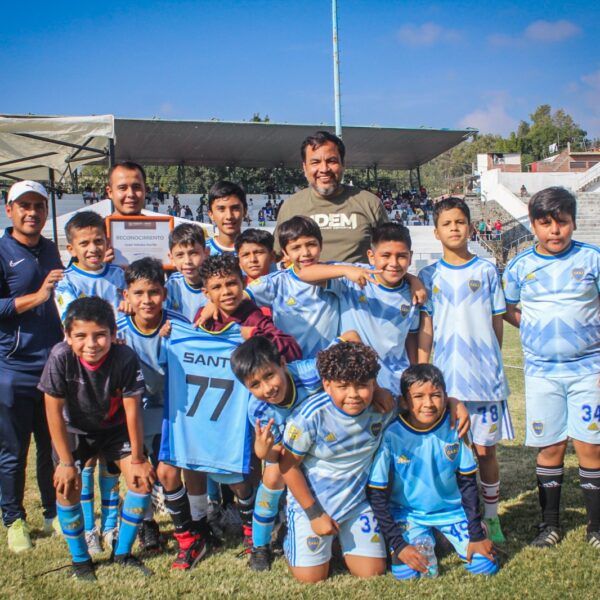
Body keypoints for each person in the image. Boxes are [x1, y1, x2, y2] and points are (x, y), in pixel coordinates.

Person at [160, 254, 301, 557]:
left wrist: (254, 336)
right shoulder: (201, 316)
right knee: (193, 460)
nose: (226, 292)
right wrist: (169, 336)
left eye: (231, 284)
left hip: (248, 409)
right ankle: (202, 521)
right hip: (210, 410)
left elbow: (290, 347)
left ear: (242, 283)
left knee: (248, 467)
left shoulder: (255, 316)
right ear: (206, 292)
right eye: (217, 287)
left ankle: (256, 525)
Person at [503, 187, 600, 549]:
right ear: (533, 225)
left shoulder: (593, 259)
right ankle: (550, 525)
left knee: (590, 446)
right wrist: (534, 328)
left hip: (588, 369)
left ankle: (596, 528)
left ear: (574, 222)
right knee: (551, 447)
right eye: (545, 224)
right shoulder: (519, 267)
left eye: (562, 223)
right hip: (542, 372)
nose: (554, 231)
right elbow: (509, 309)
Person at [38, 297, 155, 580]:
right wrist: (65, 462)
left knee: (141, 482)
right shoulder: (59, 357)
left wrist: (138, 459)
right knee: (66, 489)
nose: (91, 343)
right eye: (80, 336)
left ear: (114, 336)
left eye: (100, 335)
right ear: (67, 336)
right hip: (75, 431)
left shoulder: (125, 358)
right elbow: (53, 412)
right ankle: (81, 560)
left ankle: (123, 554)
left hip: (114, 430)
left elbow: (133, 411)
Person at [418, 197, 513, 543]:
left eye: (461, 222)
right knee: (450, 451)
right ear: (436, 231)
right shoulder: (429, 276)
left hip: (484, 380)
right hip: (447, 380)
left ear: (471, 228)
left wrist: (492, 360)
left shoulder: (487, 270)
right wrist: (422, 369)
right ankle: (457, 513)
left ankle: (492, 517)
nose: (455, 228)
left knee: (486, 451)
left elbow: (496, 322)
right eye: (447, 223)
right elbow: (426, 327)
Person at [367, 364, 498, 580]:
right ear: (405, 401)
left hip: (452, 513)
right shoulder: (392, 435)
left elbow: (468, 484)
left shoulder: (456, 427)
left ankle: (451, 533)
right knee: (411, 574)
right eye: (418, 396)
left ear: (446, 397)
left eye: (436, 395)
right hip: (409, 514)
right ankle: (428, 536)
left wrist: (475, 533)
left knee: (485, 566)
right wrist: (398, 545)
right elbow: (377, 494)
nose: (428, 403)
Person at [279, 342, 393, 583]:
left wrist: (455, 404)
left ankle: (339, 542)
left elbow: (417, 405)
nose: (353, 395)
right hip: (313, 507)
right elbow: (288, 467)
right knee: (311, 578)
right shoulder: (309, 416)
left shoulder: (381, 407)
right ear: (327, 385)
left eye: (362, 385)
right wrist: (314, 514)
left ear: (374, 383)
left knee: (372, 572)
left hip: (356, 504)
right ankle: (291, 536)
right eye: (342, 387)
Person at [54, 210, 126, 553]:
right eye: (85, 243)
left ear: (107, 242)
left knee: (110, 457)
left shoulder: (118, 276)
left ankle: (111, 526)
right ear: (72, 248)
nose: (93, 247)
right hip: (82, 376)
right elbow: (71, 323)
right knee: (86, 460)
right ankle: (87, 529)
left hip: (117, 373)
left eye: (99, 240)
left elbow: (129, 316)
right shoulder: (65, 281)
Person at [0, 180, 64, 552]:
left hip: (52, 366)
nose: (32, 212)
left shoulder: (51, 249)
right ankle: (14, 519)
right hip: (13, 367)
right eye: (24, 205)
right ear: (10, 210)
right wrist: (36, 297)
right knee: (13, 450)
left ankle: (53, 510)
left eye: (38, 206)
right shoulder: (2, 250)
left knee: (52, 445)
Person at [295, 223, 424, 391]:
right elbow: (304, 273)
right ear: (371, 256)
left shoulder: (413, 293)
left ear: (410, 256)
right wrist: (346, 270)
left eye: (401, 256)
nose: (393, 263)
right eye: (385, 255)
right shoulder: (353, 278)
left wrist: (413, 375)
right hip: (356, 381)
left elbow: (411, 338)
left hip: (395, 383)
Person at [116, 258, 189, 553]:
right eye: (139, 293)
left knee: (168, 471)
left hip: (171, 409)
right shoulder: (116, 330)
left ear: (165, 293)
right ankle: (147, 525)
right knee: (139, 470)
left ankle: (189, 524)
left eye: (154, 292)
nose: (147, 300)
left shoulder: (179, 324)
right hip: (132, 410)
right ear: (127, 296)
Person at [274, 131, 388, 263]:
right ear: (305, 168)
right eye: (315, 162)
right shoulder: (291, 207)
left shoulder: (370, 203)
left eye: (331, 161)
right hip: (308, 283)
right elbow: (276, 255)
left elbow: (390, 252)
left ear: (343, 164)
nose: (324, 169)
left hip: (359, 282)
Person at [245, 216, 341, 358]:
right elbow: (238, 299)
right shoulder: (276, 282)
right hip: (290, 367)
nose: (305, 253)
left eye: (311, 244)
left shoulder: (336, 274)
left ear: (321, 244)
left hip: (329, 367)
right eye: (296, 247)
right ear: (285, 253)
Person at [165, 224, 209, 322]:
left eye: (193, 253)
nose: (187, 261)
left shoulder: (217, 282)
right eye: (180, 255)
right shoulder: (173, 284)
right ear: (171, 258)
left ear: (206, 253)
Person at [207, 181, 247, 255]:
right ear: (211, 214)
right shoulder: (202, 252)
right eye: (221, 209)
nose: (229, 216)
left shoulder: (257, 252)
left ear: (245, 211)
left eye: (235, 208)